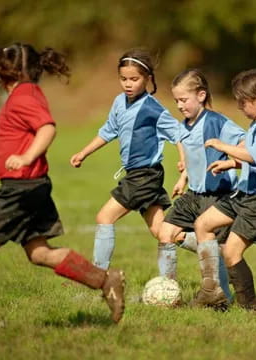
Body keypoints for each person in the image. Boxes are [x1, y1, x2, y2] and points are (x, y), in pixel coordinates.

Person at [0, 43, 125, 332]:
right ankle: (105, 280)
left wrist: (26, 157)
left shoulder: (23, 96)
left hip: (20, 188)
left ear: (5, 70)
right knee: (39, 252)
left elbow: (47, 128)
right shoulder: (28, 93)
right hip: (32, 185)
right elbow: (25, 135)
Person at [70, 49, 180, 277]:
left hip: (145, 176)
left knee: (104, 217)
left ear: (148, 79)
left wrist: (185, 164)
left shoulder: (153, 109)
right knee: (163, 231)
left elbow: (179, 135)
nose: (128, 84)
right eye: (123, 79)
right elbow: (108, 131)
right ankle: (207, 247)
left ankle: (97, 277)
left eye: (134, 79)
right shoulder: (119, 102)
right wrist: (83, 152)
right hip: (138, 175)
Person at [191, 69, 256, 310]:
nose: (239, 106)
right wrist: (230, 163)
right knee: (203, 224)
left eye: (242, 101)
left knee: (231, 252)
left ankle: (250, 309)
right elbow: (250, 158)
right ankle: (211, 291)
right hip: (244, 193)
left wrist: (222, 145)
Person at [157, 69, 246, 302]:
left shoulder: (217, 122)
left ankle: (221, 296)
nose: (179, 105)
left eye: (183, 100)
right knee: (165, 233)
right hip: (193, 195)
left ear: (201, 95)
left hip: (218, 196)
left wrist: (229, 162)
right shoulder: (183, 125)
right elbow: (193, 158)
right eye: (176, 100)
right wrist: (183, 177)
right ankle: (168, 294)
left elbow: (246, 143)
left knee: (218, 249)